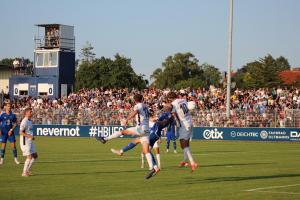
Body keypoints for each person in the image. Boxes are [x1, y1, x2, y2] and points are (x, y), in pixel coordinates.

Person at [96, 94, 158, 179]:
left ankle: (105, 139)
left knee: (122, 132)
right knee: (146, 150)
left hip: (140, 128)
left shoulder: (138, 105)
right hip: (147, 130)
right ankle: (152, 168)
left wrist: (126, 119)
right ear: (142, 99)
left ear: (134, 100)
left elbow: (135, 112)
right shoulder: (145, 106)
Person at [110, 105, 174, 170]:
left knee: (141, 143)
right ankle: (155, 167)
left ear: (168, 108)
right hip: (154, 133)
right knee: (145, 148)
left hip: (154, 133)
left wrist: (157, 122)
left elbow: (165, 122)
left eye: (166, 106)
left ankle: (121, 151)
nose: (164, 107)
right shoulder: (164, 114)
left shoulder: (169, 115)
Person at [167, 92, 198, 172]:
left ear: (170, 98)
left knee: (183, 144)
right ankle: (185, 160)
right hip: (189, 122)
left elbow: (173, 114)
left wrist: (177, 122)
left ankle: (193, 163)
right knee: (186, 143)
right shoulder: (183, 100)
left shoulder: (173, 103)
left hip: (184, 124)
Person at [19, 107, 38, 177]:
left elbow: (28, 131)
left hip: (29, 141)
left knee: (35, 156)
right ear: (26, 113)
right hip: (25, 142)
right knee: (29, 157)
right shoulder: (24, 121)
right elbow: (20, 132)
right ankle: (24, 173)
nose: (32, 113)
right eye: (30, 112)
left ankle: (27, 170)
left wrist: (31, 137)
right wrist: (29, 136)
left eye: (31, 111)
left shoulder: (29, 121)